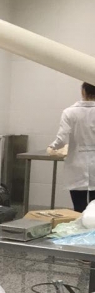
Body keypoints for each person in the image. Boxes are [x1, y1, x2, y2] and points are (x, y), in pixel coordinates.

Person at [48, 81, 95, 212]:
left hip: (77, 165)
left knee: (79, 208)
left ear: (83, 92)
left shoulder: (69, 112)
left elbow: (62, 139)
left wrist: (52, 147)